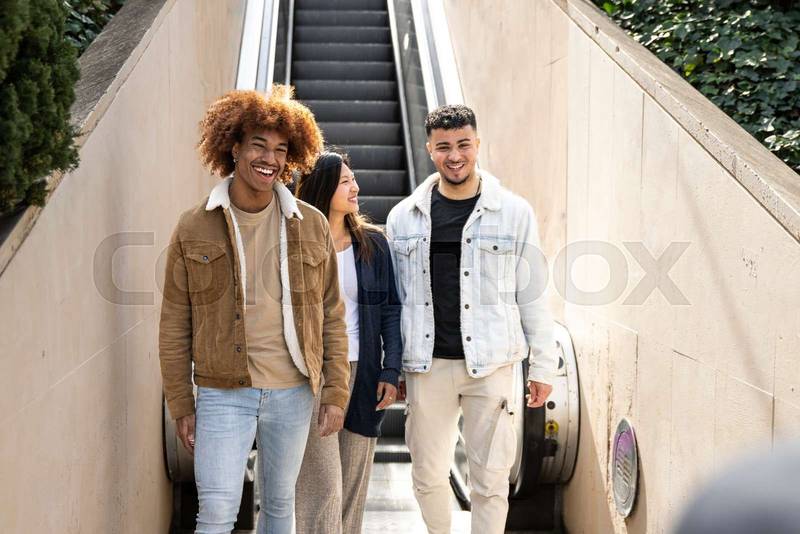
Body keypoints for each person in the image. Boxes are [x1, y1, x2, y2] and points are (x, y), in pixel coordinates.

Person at [158, 86, 350, 534]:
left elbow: (332, 314)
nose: (270, 159)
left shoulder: (311, 223)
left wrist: (336, 391)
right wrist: (180, 401)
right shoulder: (195, 224)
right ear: (233, 147)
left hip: (294, 390)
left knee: (281, 506)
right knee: (217, 512)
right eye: (259, 145)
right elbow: (174, 324)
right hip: (223, 392)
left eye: (281, 150)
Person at [385, 104, 559, 534]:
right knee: (427, 475)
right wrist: (395, 363)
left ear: (477, 145)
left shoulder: (513, 213)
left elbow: (532, 293)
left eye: (463, 144)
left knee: (491, 479)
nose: (455, 155)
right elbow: (395, 300)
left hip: (492, 365)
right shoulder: (404, 217)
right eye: (444, 147)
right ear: (430, 150)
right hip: (428, 366)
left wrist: (541, 366)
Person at [294, 150, 403, 534]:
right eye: (345, 181)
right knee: (322, 485)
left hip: (365, 370)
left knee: (352, 486)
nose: (355, 186)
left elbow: (391, 309)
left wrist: (391, 369)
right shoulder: (297, 242)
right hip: (312, 374)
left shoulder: (373, 244)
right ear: (323, 188)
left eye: (354, 178)